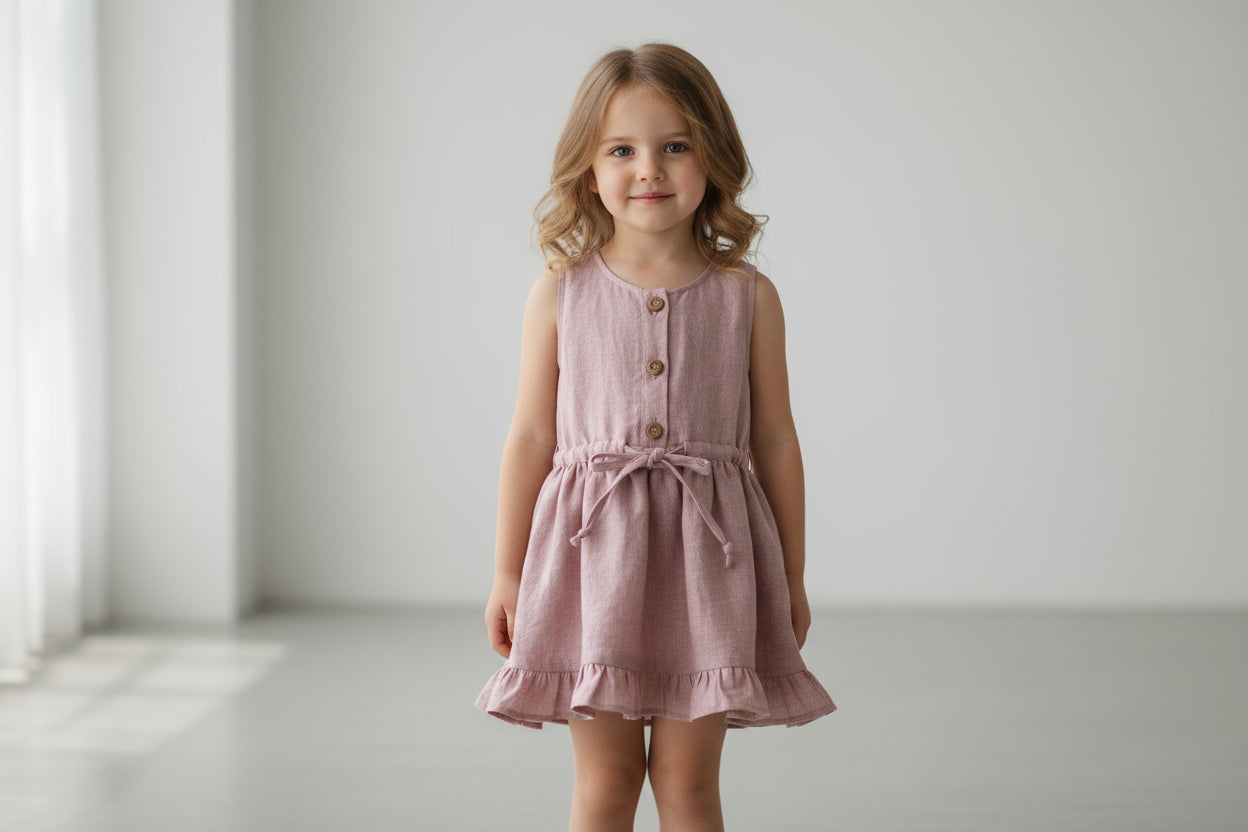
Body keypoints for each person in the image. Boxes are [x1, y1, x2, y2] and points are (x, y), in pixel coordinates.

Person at [475, 41, 837, 832]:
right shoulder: (559, 294)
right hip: (590, 562)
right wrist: (507, 571)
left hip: (710, 568)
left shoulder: (748, 297)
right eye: (622, 150)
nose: (650, 170)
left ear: (714, 155)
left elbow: (776, 442)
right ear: (588, 168)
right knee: (607, 782)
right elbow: (531, 437)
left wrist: (792, 575)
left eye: (675, 146)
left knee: (686, 780)